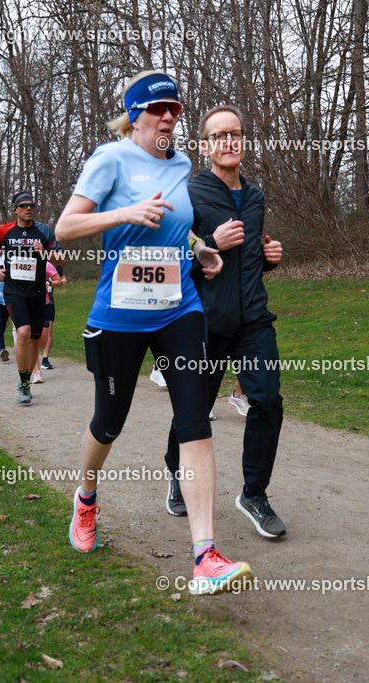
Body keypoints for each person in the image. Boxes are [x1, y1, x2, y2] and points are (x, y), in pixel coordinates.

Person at [54, 70, 252, 596]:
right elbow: (65, 227)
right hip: (119, 313)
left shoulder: (184, 164)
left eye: (175, 109)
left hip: (178, 308)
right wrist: (124, 212)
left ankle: (205, 555)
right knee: (109, 422)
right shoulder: (109, 158)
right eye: (157, 108)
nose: (168, 117)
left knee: (195, 419)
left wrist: (200, 248)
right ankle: (87, 495)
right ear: (135, 114)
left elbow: (172, 225)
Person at [161, 104, 286, 538]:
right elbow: (170, 260)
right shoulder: (190, 195)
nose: (229, 142)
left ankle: (255, 492)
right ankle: (179, 475)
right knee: (193, 412)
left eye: (235, 134)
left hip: (253, 318)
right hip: (203, 321)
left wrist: (267, 260)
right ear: (205, 146)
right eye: (219, 136)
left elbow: (244, 261)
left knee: (267, 401)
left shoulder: (255, 196)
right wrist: (210, 242)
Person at [0, 192, 63, 404]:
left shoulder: (44, 231)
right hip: (13, 291)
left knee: (35, 342)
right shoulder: (3, 231)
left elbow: (62, 260)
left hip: (38, 293)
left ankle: (26, 382)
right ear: (15, 209)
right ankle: (23, 384)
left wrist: (45, 252)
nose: (28, 208)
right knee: (23, 331)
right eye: (23, 205)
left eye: (31, 205)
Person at [31, 262, 66, 383]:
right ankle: (36, 372)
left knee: (41, 342)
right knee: (32, 339)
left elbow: (60, 280)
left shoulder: (47, 264)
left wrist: (48, 283)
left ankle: (39, 357)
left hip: (45, 303)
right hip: (27, 304)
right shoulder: (20, 262)